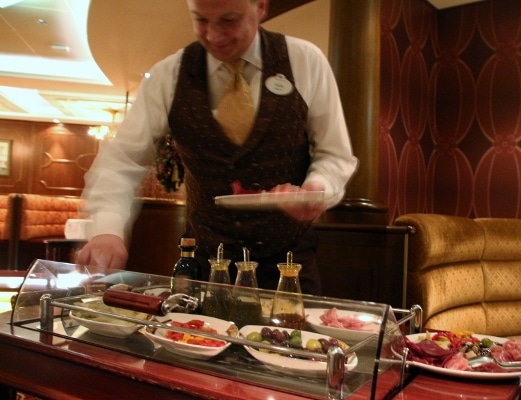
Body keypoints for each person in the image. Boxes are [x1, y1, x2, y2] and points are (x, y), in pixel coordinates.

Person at [76, 0, 358, 295]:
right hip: (205, 265)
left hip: (289, 266)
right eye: (200, 20)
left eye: (229, 20)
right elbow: (121, 161)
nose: (213, 35)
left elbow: (334, 154)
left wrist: (317, 188)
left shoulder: (304, 60)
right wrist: (107, 230)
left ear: (260, 7)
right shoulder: (168, 75)